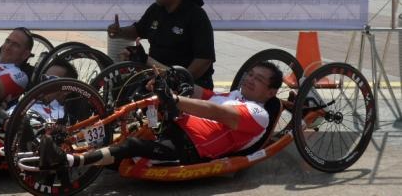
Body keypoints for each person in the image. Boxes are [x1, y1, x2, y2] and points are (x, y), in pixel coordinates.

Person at [38, 61, 283, 170]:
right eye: (250, 74)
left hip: (188, 147)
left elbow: (216, 111)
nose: (250, 79)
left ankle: (66, 160)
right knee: (125, 116)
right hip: (173, 125)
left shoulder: (258, 113)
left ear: (271, 92)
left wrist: (174, 99)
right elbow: (203, 93)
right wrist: (170, 80)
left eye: (259, 79)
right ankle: (62, 136)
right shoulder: (234, 95)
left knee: (131, 146)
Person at [107, 0, 216, 89]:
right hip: (157, 76)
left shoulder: (196, 16)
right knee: (120, 91)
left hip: (188, 84)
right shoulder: (156, 10)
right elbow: (138, 30)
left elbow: (204, 59)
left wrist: (182, 81)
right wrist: (119, 32)